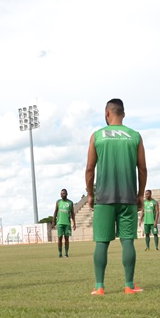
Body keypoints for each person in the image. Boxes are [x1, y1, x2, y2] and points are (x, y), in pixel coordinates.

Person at [85, 98, 147, 295]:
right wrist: (139, 195)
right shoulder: (135, 136)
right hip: (128, 197)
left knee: (102, 242)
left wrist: (90, 194)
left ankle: (99, 287)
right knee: (127, 240)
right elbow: (143, 168)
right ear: (123, 114)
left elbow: (89, 169)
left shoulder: (97, 136)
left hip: (104, 197)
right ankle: (129, 285)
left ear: (107, 113)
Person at [54, 188, 76, 257]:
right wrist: (53, 221)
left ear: (66, 194)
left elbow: (72, 213)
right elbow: (55, 211)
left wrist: (74, 223)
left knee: (67, 238)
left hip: (67, 223)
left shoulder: (70, 203)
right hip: (60, 223)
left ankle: (66, 253)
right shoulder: (58, 202)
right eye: (61, 194)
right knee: (60, 237)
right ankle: (60, 253)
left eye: (63, 193)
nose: (62, 195)